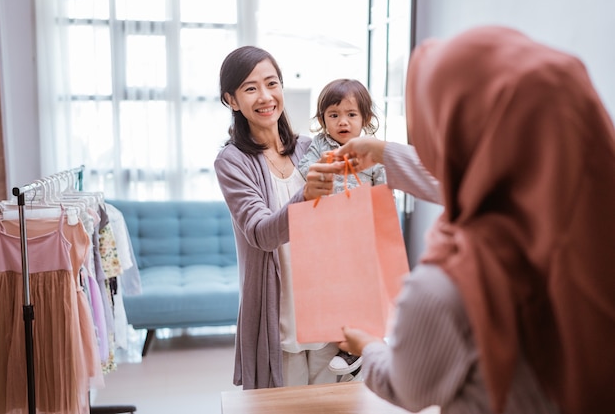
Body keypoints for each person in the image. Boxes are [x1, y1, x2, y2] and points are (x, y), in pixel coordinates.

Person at [334, 26, 615, 413]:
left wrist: (369, 347)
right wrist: (383, 152)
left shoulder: (446, 287)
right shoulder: (595, 237)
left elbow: (407, 389)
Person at [214, 45, 348, 390]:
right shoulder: (232, 162)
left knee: (335, 407)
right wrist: (307, 195)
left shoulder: (311, 149)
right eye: (250, 88)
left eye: (272, 84)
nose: (265, 96)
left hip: (327, 310)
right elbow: (260, 233)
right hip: (281, 316)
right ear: (231, 100)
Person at [297, 78, 386, 381]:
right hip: (328, 232)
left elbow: (384, 191)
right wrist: (325, 164)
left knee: (362, 288)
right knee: (334, 289)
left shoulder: (372, 152)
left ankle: (357, 348)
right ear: (322, 120)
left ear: (366, 120)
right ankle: (344, 342)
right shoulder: (319, 145)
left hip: (359, 232)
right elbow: (304, 169)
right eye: (333, 115)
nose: (342, 122)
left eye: (351, 114)